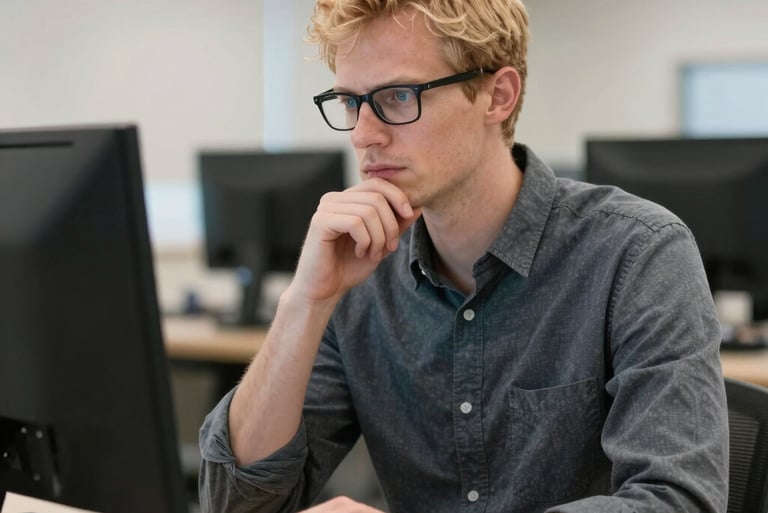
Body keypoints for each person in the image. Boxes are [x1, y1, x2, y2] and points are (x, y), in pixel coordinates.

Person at [198, 1, 729, 512]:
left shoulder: (636, 253)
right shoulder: (361, 273)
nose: (363, 134)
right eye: (350, 102)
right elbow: (238, 502)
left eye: (399, 96)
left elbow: (677, 500)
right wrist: (305, 302)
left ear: (496, 96)